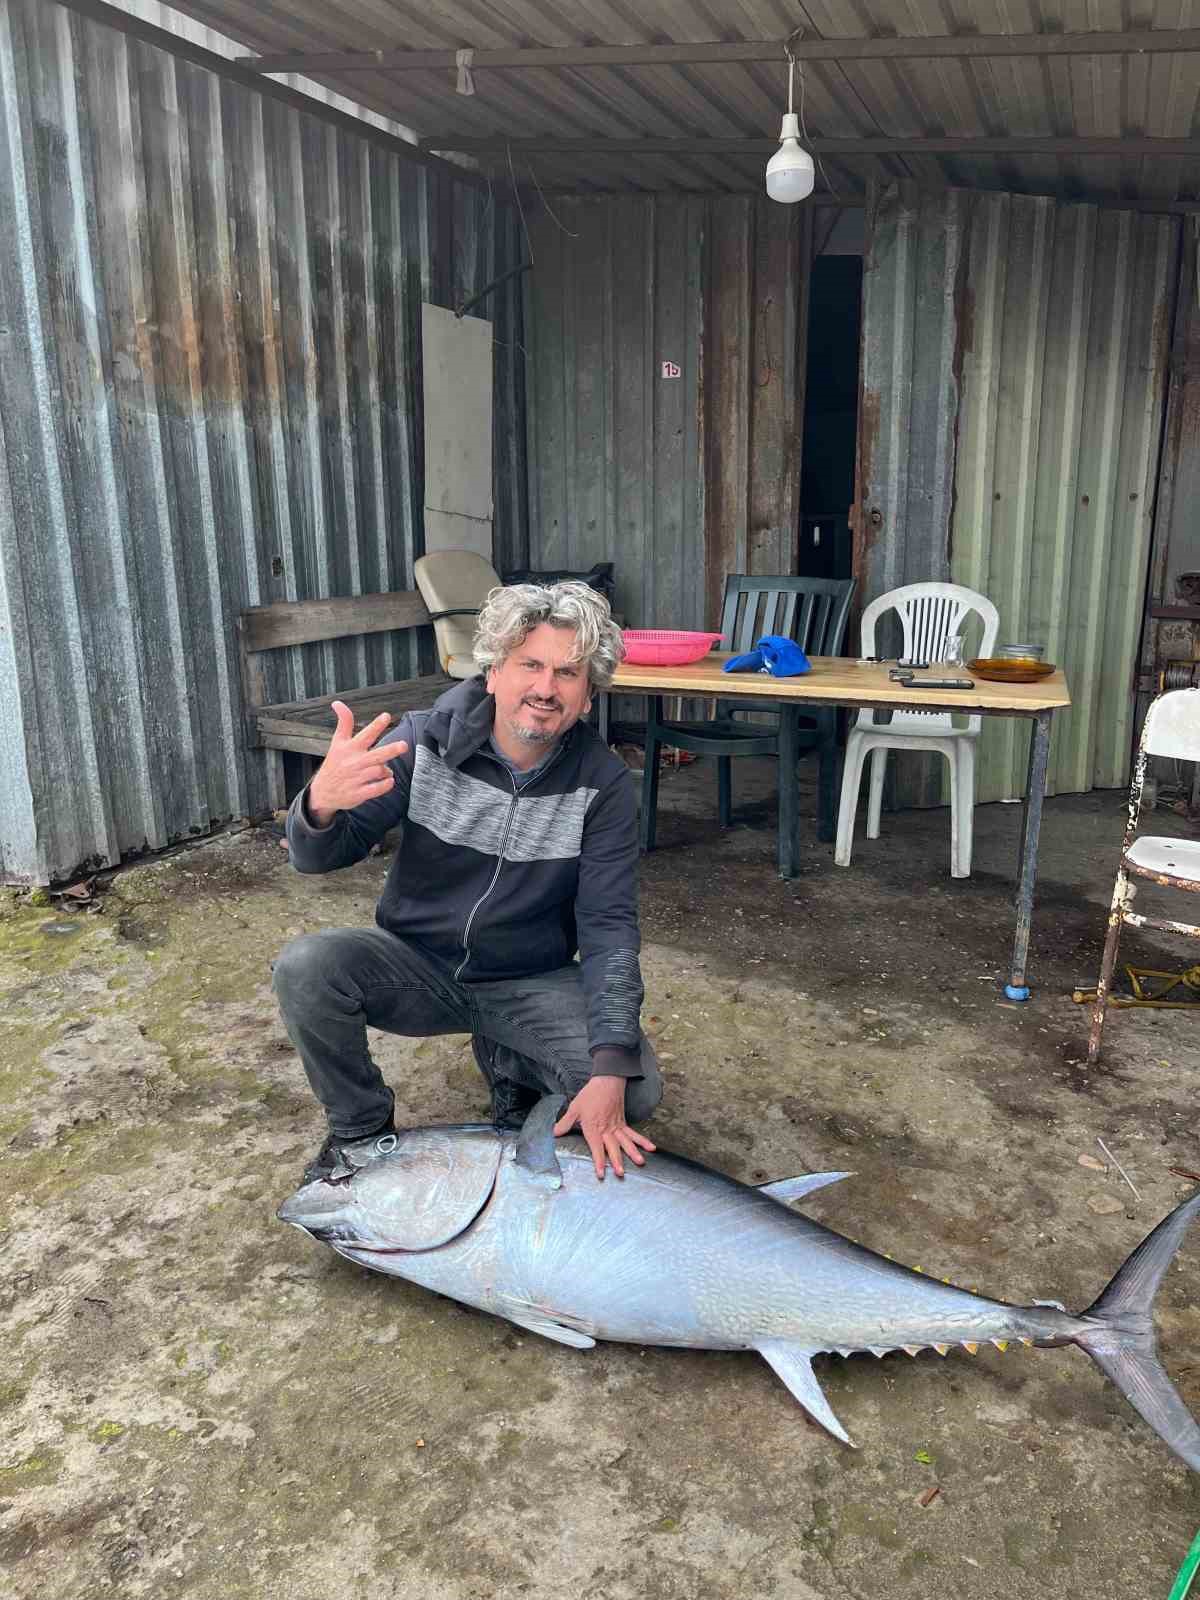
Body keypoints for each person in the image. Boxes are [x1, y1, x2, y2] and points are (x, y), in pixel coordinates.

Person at [273, 580, 660, 1186]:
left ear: (589, 695)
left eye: (568, 673)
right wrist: (318, 806)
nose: (544, 688)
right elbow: (317, 857)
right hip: (416, 966)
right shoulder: (421, 741)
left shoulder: (603, 786)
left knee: (632, 1093)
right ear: (493, 672)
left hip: (528, 978)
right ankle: (361, 1134)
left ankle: (511, 1066)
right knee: (307, 967)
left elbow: (609, 928)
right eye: (529, 664)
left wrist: (610, 1064)